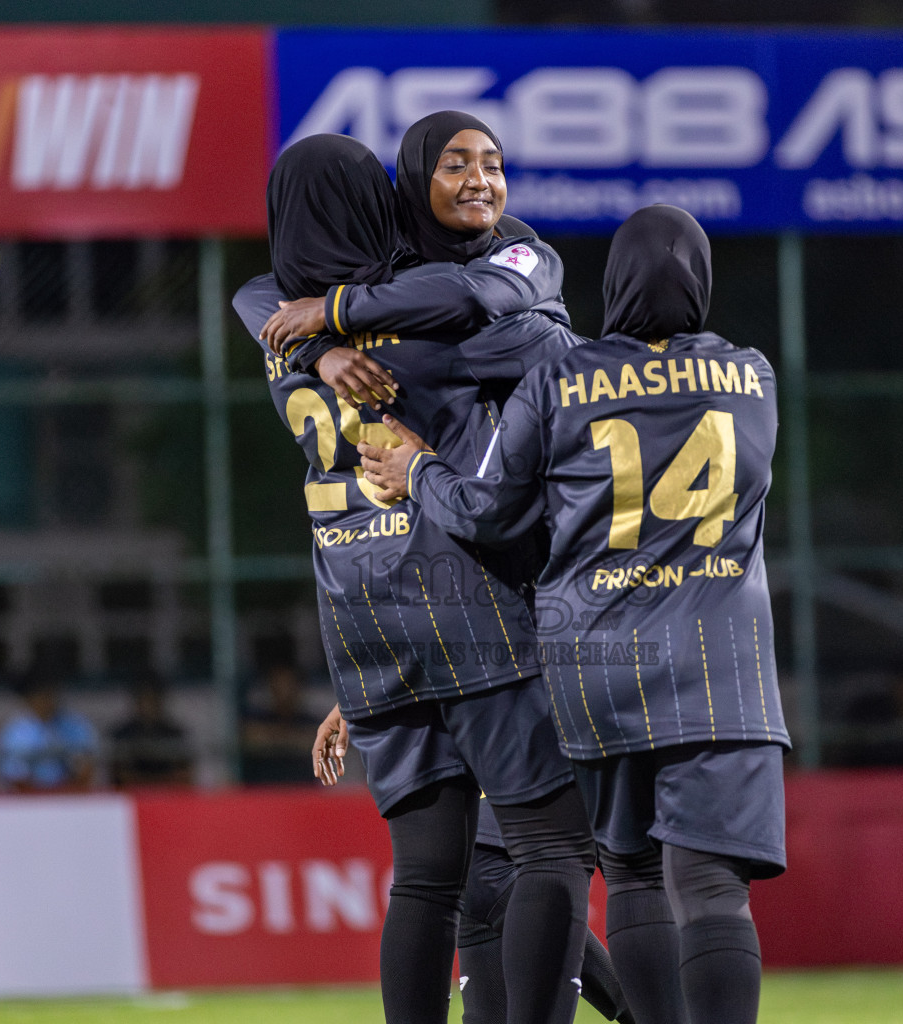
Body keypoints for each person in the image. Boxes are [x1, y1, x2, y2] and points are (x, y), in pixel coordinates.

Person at [361, 204, 790, 1024]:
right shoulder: (754, 376)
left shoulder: (562, 380)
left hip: (598, 665)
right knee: (709, 887)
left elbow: (487, 512)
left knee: (630, 875)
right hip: (720, 663)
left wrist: (418, 470)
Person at [234, 129, 594, 1024]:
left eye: (492, 164)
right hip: (466, 596)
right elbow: (541, 341)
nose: (479, 181)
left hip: (361, 620)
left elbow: (255, 295)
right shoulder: (440, 332)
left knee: (429, 879)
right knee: (548, 847)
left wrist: (315, 340)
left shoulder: (284, 341)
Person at [0, 669, 99, 792]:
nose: (47, 700)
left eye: (50, 694)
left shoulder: (75, 725)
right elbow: (13, 776)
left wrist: (64, 793)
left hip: (71, 797)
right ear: (29, 699)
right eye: (41, 695)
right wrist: (44, 798)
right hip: (31, 801)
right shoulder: (15, 733)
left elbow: (87, 767)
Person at [240, 633, 324, 783]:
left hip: (305, 792)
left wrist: (278, 738)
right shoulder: (258, 717)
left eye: (288, 685)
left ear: (298, 687)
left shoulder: (310, 720)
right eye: (278, 685)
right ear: (271, 688)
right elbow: (250, 737)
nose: (284, 692)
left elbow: (327, 740)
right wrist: (293, 738)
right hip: (267, 791)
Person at [109, 672, 194, 787]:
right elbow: (119, 776)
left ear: (160, 701)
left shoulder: (175, 734)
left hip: (170, 797)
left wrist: (158, 786)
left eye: (151, 700)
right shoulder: (122, 734)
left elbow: (184, 775)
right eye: (142, 700)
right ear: (136, 701)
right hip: (134, 795)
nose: (147, 706)